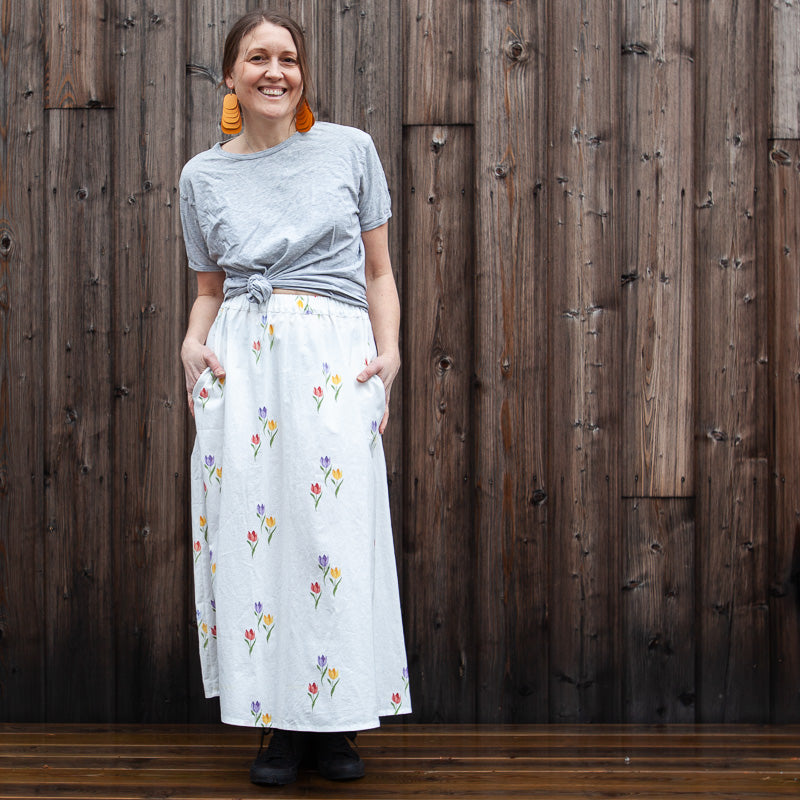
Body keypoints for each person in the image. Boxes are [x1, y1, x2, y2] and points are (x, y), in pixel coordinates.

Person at [178, 10, 411, 787]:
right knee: (253, 537)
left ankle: (338, 720)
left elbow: (378, 272)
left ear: (302, 73)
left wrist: (389, 353)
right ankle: (274, 722)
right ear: (231, 76)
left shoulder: (350, 150)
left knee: (333, 533)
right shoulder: (202, 176)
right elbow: (209, 291)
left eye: (287, 58)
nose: (274, 71)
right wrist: (191, 345)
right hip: (242, 364)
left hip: (333, 358)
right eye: (257, 58)